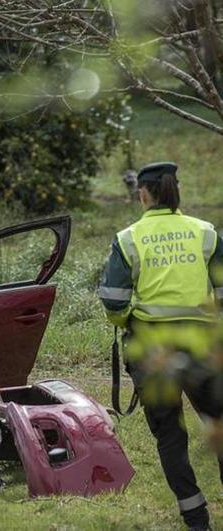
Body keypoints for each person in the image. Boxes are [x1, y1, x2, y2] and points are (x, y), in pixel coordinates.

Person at [98, 161, 223, 530]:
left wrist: (128, 322)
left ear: (143, 193)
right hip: (202, 346)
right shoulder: (206, 233)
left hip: (152, 351)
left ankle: (196, 517)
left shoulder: (128, 238)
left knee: (170, 436)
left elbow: (114, 300)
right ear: (176, 190)